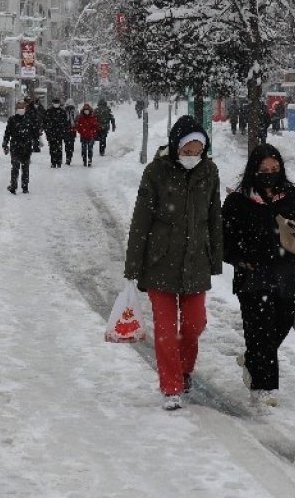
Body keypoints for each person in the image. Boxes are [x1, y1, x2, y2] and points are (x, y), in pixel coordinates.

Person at [123, 116, 223, 411]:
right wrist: (133, 265)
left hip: (196, 260)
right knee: (166, 329)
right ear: (176, 147)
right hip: (160, 260)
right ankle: (171, 386)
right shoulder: (156, 172)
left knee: (194, 323)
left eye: (197, 152)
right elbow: (141, 220)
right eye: (187, 151)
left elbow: (214, 216)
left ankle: (184, 369)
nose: (192, 157)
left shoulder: (209, 172)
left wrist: (215, 258)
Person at [222, 143, 295, 409]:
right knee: (260, 330)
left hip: (286, 275)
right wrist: (240, 259)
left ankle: (253, 359)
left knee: (282, 323)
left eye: (275, 169)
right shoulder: (238, 201)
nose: (270, 174)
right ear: (253, 170)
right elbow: (223, 239)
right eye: (264, 170)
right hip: (252, 277)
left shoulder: (292, 196)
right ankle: (262, 388)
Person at [2, 101, 40, 194]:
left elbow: (34, 132)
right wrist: (5, 144)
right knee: (17, 167)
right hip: (17, 146)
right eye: (19, 107)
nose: (20, 109)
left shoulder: (28, 119)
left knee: (23, 167)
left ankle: (23, 186)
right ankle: (15, 186)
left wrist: (36, 141)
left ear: (25, 108)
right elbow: (7, 133)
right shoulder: (13, 119)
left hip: (25, 146)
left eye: (22, 107)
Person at [43, 98, 70, 168]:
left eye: (57, 103)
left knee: (59, 148)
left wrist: (64, 132)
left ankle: (59, 162)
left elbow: (65, 123)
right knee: (52, 148)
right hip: (51, 133)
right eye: (55, 103)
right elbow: (45, 122)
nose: (56, 104)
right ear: (52, 103)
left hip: (59, 133)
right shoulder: (48, 111)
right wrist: (47, 131)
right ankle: (53, 162)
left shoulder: (62, 112)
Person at [74, 103, 101, 167]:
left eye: (87, 110)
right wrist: (81, 131)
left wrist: (93, 131)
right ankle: (84, 160)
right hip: (83, 136)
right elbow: (78, 126)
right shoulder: (81, 118)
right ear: (83, 111)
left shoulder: (93, 117)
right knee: (83, 149)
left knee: (90, 149)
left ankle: (89, 160)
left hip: (91, 136)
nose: (86, 111)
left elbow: (96, 126)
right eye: (85, 110)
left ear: (89, 110)